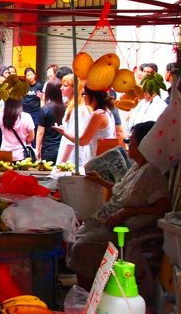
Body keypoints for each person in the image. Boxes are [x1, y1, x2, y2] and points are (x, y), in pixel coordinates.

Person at [68, 121, 170, 300]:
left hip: (131, 229)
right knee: (75, 235)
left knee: (82, 247)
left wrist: (126, 212)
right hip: (113, 220)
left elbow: (162, 207)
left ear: (144, 144)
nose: (128, 144)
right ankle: (89, 291)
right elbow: (123, 191)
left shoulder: (151, 171)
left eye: (132, 140)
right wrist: (100, 181)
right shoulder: (137, 167)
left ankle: (87, 297)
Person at [54, 86, 116, 160]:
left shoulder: (98, 114)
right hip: (103, 158)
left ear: (92, 96)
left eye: (84, 94)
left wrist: (63, 132)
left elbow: (83, 141)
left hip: (98, 161)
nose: (82, 96)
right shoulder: (107, 112)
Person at [56, 74, 92, 168]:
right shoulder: (73, 108)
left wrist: (62, 162)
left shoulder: (78, 109)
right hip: (71, 153)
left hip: (73, 156)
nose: (61, 88)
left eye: (65, 86)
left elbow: (73, 139)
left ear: (74, 88)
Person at [36, 79, 64, 163]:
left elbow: (40, 132)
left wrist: (37, 149)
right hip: (64, 148)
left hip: (48, 149)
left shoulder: (44, 109)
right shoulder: (67, 108)